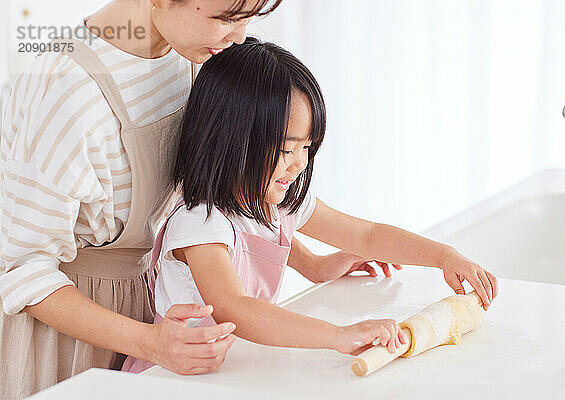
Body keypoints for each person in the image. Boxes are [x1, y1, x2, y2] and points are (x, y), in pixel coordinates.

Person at [0, 1, 355, 398]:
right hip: (67, 336)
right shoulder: (65, 91)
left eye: (248, 16)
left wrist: (311, 262)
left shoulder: (191, 52)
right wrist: (149, 343)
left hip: (157, 318)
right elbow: (21, 269)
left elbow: (218, 191)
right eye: (225, 17)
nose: (239, 36)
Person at [120, 37, 499, 373]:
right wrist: (337, 336)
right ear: (232, 139)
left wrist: (443, 256)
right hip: (173, 375)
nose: (299, 163)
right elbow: (235, 308)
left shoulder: (275, 201)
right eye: (287, 148)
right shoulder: (200, 223)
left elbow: (366, 235)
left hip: (237, 366)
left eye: (307, 147)